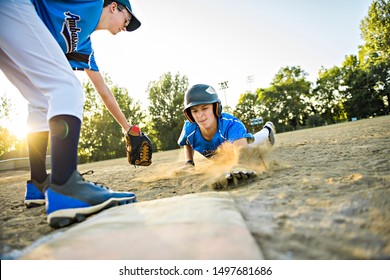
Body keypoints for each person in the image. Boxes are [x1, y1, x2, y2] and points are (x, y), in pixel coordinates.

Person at [0, 0, 142, 228]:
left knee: (40, 100)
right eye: (127, 19)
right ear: (114, 6)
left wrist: (129, 129)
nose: (126, 25)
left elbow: (103, 91)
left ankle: (38, 184)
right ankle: (66, 185)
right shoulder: (91, 2)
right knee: (66, 87)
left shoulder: (83, 44)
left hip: (13, 23)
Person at [177, 84, 275, 169]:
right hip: (223, 157)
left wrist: (239, 166)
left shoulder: (231, 124)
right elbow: (187, 141)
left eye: (205, 108)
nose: (200, 115)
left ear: (216, 108)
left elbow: (242, 155)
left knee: (251, 147)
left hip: (239, 146)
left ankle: (267, 131)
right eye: (195, 111)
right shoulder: (189, 128)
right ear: (189, 115)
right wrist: (189, 162)